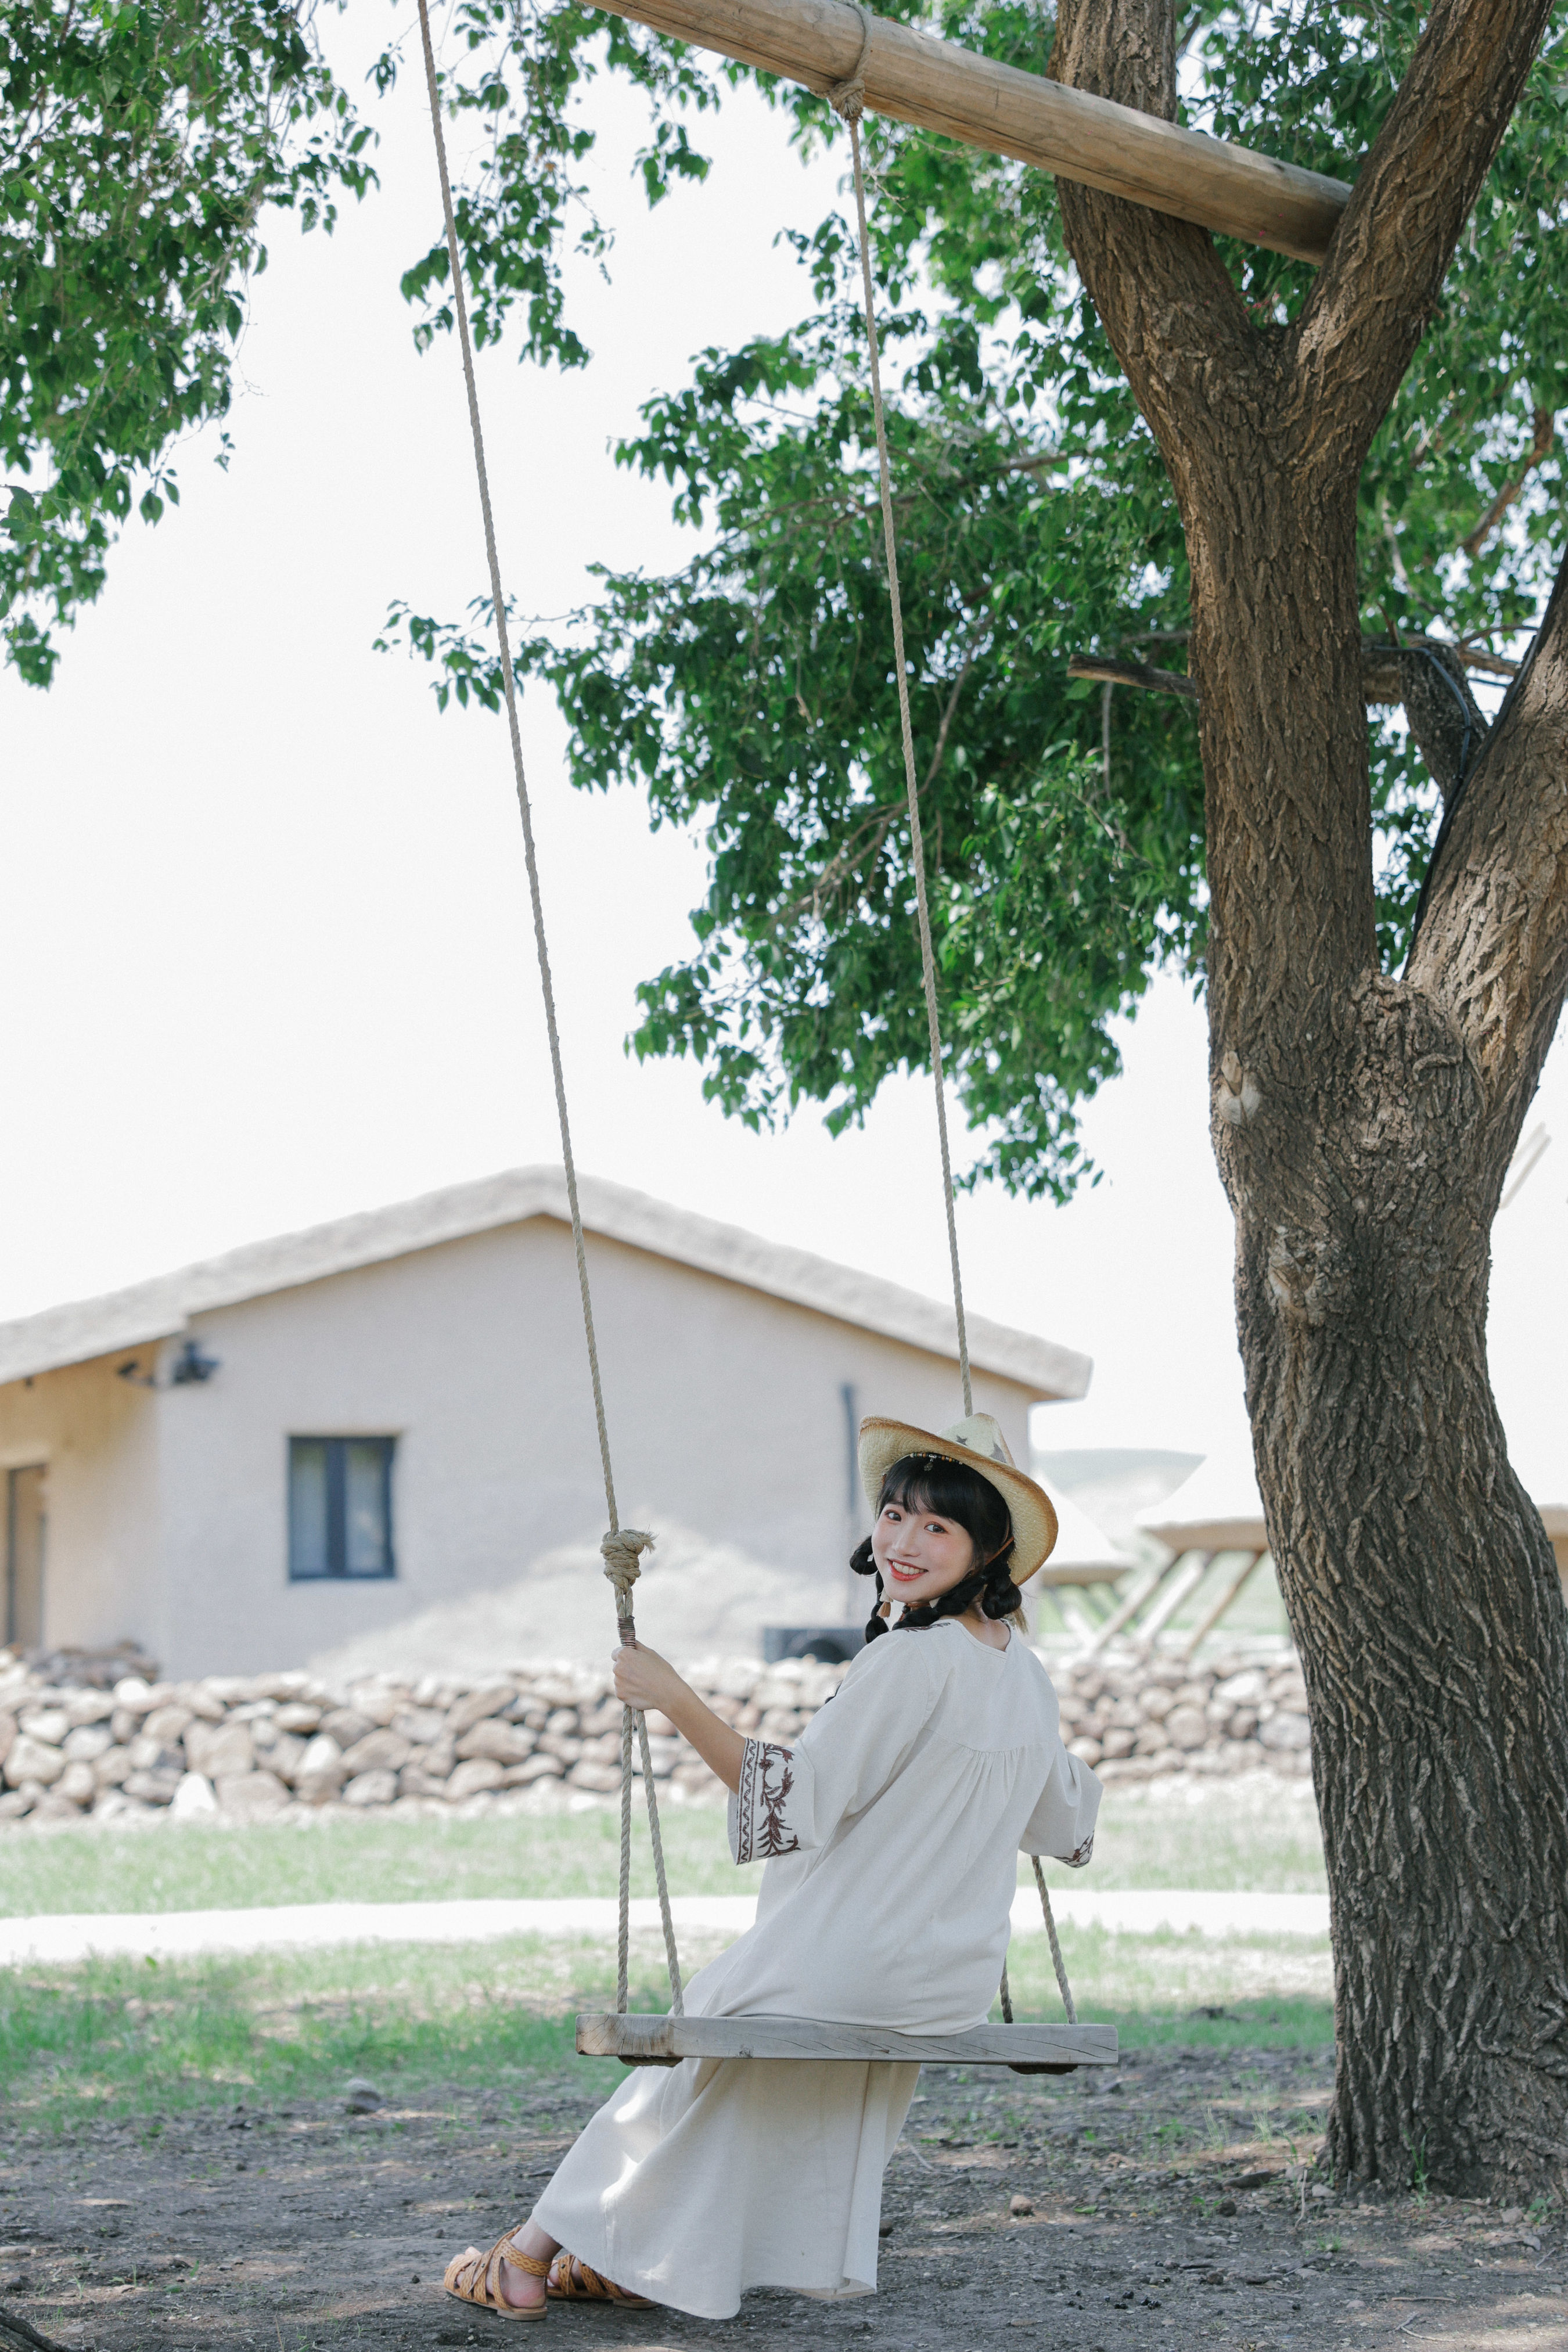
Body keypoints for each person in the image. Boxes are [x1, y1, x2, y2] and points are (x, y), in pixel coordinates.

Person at [443, 1410, 1102, 2323]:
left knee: (681, 2065)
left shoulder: (912, 1661)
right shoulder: (1027, 1677)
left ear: (989, 1551)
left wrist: (673, 1695)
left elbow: (793, 1802)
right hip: (949, 1980)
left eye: (938, 1526)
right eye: (895, 1514)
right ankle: (629, 2255)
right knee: (735, 2078)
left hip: (850, 1962)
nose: (905, 1541)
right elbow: (1064, 1818)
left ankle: (524, 2256)